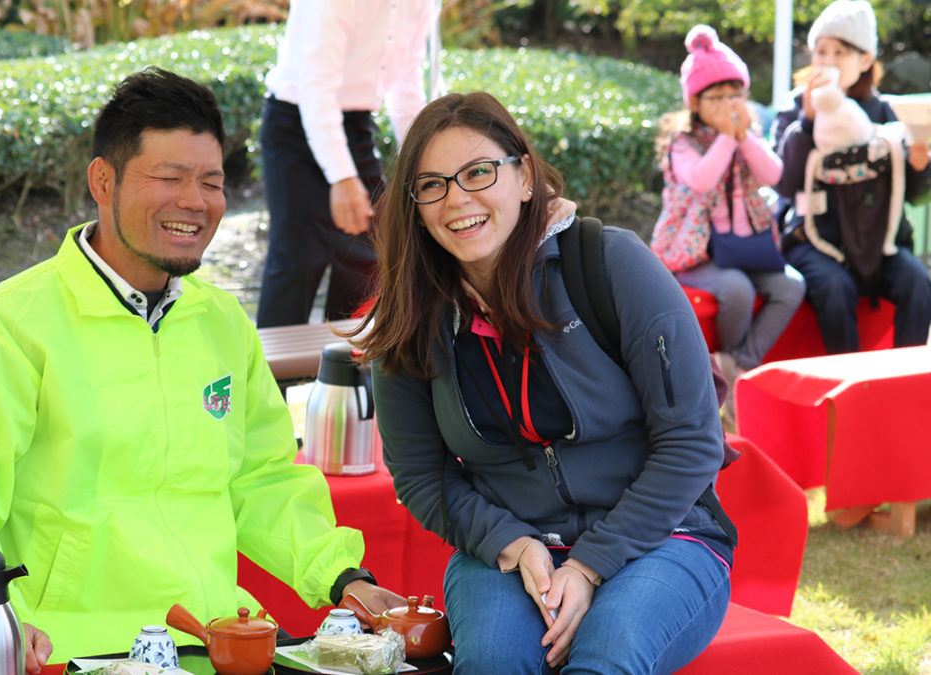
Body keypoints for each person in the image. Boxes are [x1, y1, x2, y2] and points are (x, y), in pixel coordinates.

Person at [0, 67, 404, 671]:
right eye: (169, 177)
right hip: (67, 648)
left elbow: (263, 479)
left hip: (212, 637)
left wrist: (346, 578)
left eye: (211, 182)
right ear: (102, 181)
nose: (195, 201)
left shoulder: (220, 323)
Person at [350, 91, 733, 673]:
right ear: (416, 207)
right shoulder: (412, 315)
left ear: (524, 176)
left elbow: (691, 442)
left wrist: (589, 564)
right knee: (493, 664)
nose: (457, 200)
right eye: (431, 185)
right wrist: (512, 541)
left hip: (664, 535)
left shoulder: (609, 264)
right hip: (508, 548)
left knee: (607, 655)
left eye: (478, 172)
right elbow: (420, 477)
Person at [651, 25, 805, 422]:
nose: (727, 104)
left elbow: (773, 174)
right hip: (698, 249)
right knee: (735, 289)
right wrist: (725, 139)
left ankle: (737, 363)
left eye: (734, 94)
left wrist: (743, 138)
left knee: (791, 286)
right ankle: (729, 378)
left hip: (746, 245)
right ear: (695, 103)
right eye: (715, 97)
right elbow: (701, 180)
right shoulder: (683, 142)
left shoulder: (747, 132)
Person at [255, 0, 434, 328]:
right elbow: (316, 88)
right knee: (297, 261)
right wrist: (341, 176)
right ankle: (269, 378)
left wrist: (427, 165)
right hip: (294, 121)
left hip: (356, 125)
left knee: (367, 260)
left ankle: (348, 372)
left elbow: (406, 87)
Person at [772, 0, 931, 354]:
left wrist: (920, 166)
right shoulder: (795, 107)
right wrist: (808, 123)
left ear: (864, 61)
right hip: (813, 241)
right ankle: (846, 390)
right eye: (820, 51)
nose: (826, 62)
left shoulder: (885, 112)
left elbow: (914, 196)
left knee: (917, 282)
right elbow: (784, 182)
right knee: (833, 287)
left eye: (839, 52)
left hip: (881, 242)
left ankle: (903, 384)